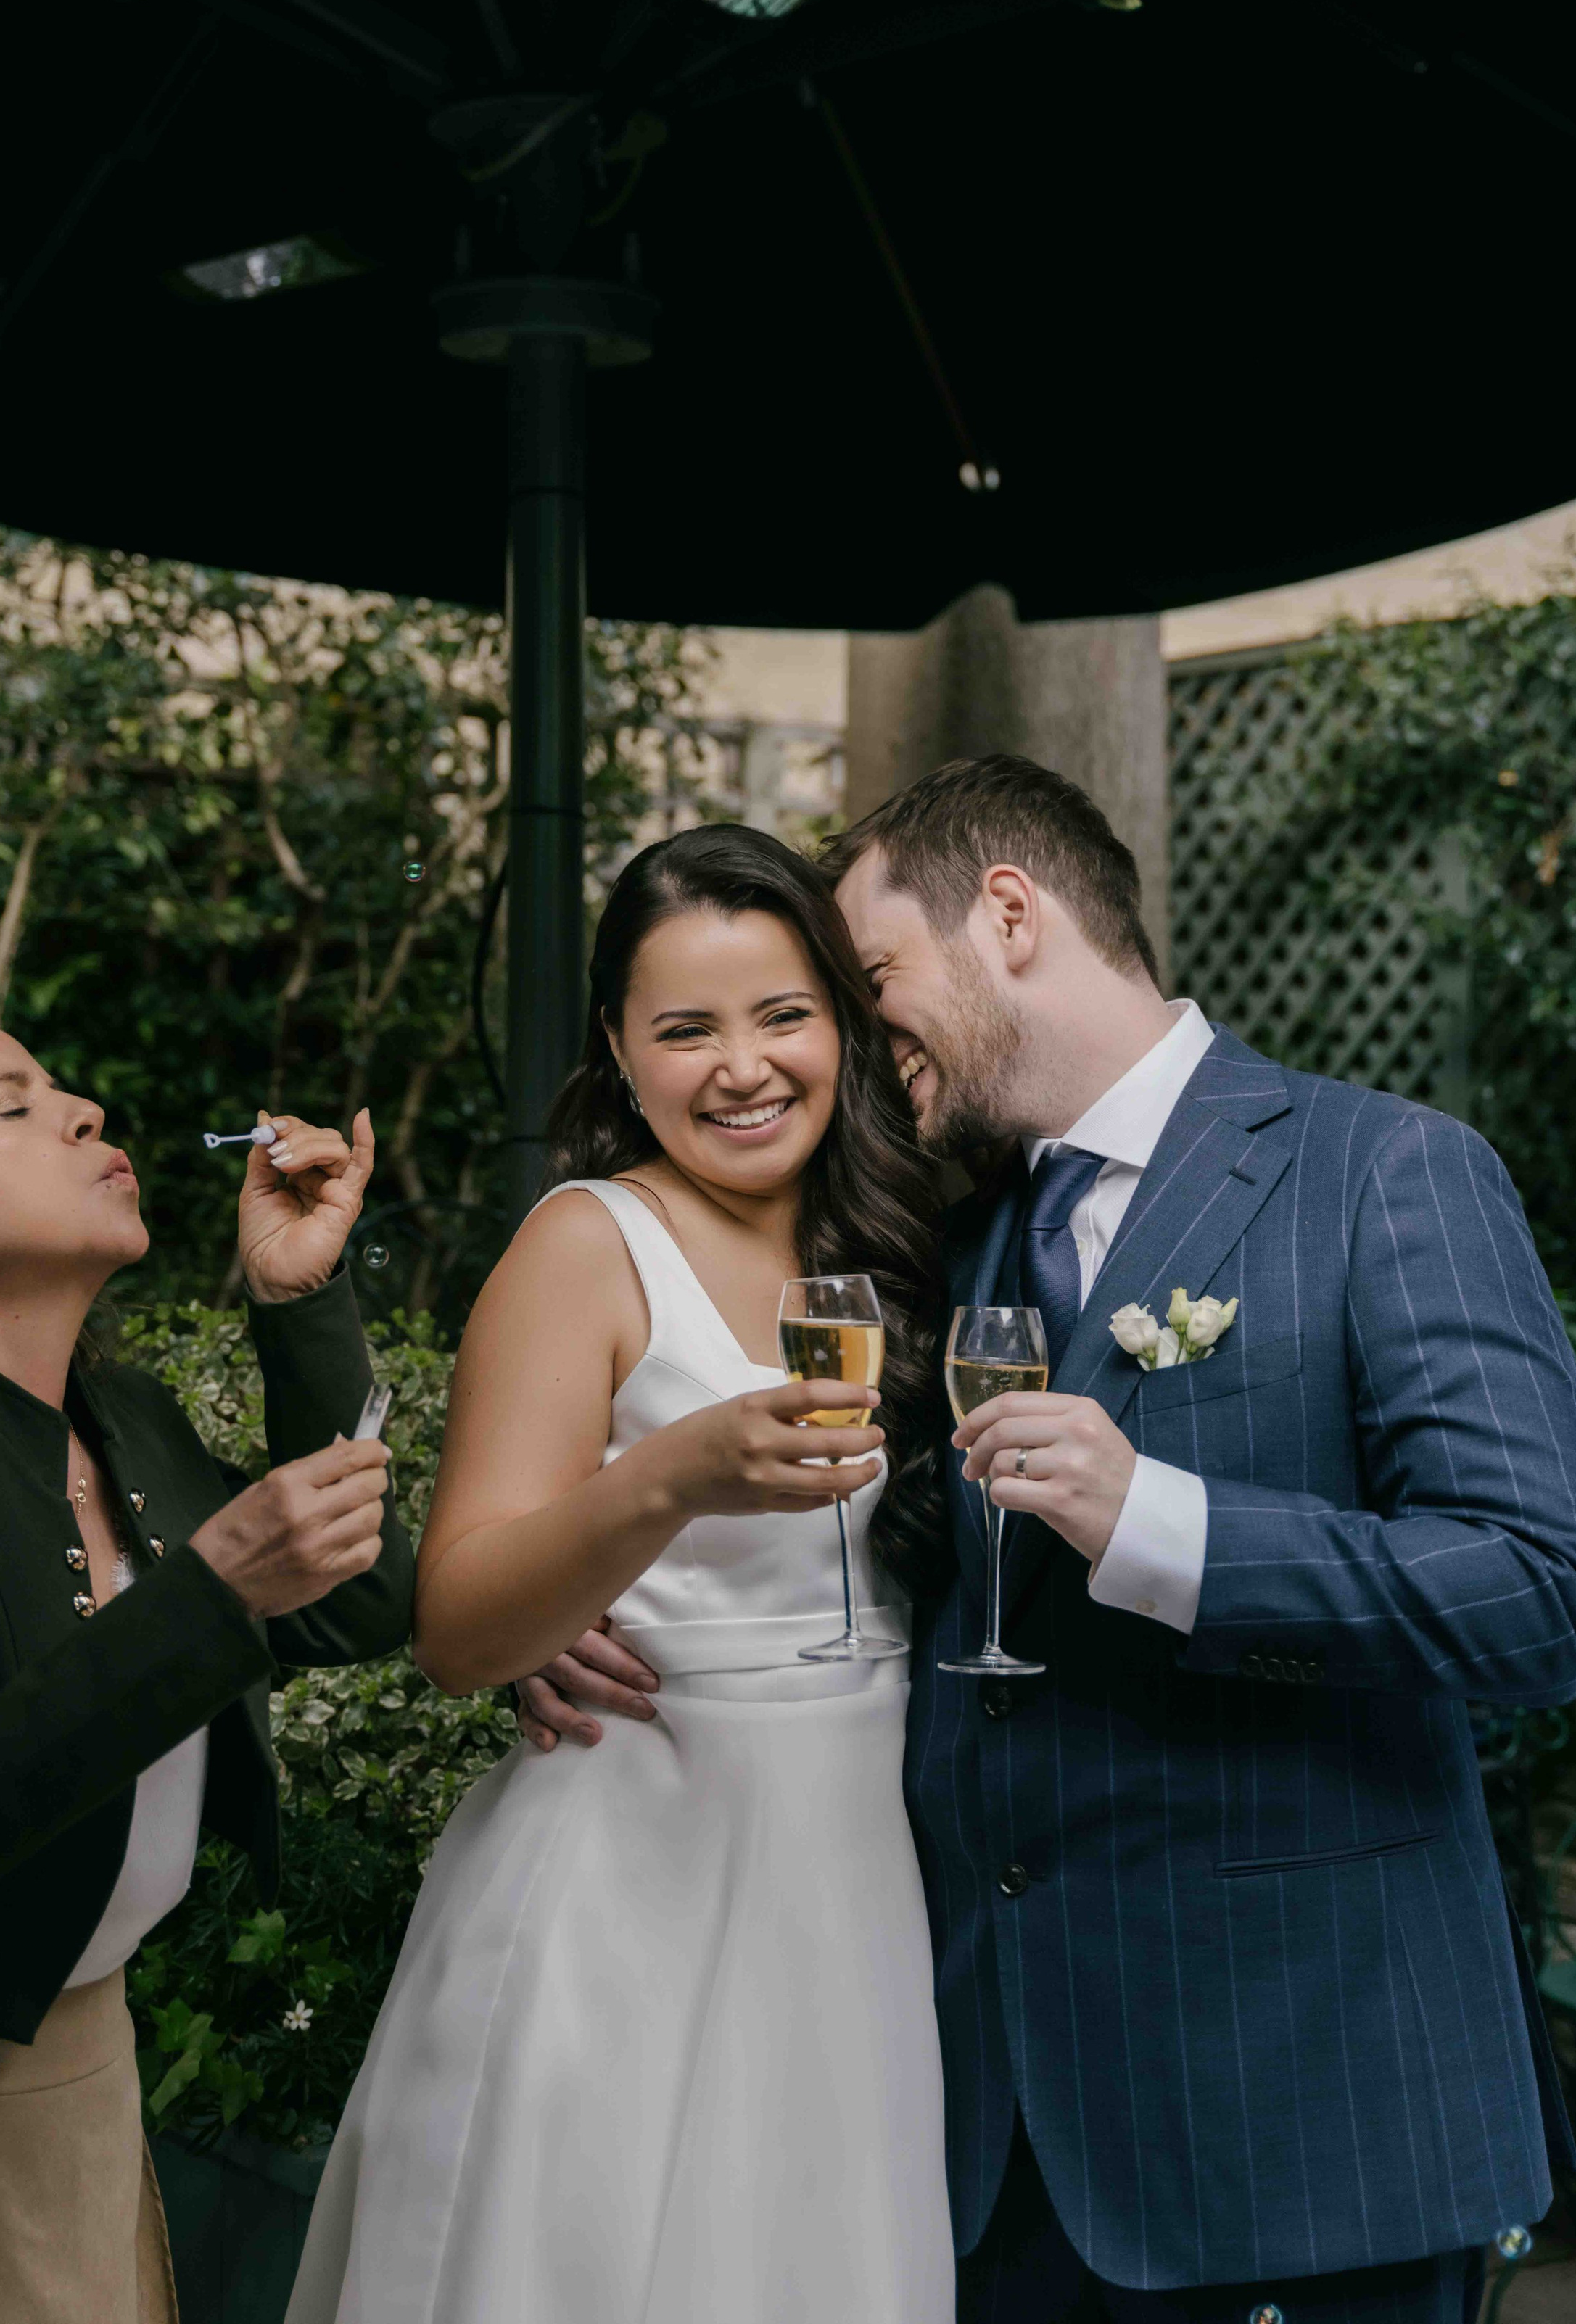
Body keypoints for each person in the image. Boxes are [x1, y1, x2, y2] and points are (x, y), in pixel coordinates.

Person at [524, 754, 1576, 2324]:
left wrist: (1157, 1523)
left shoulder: (1381, 1170)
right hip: (985, 2138)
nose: (858, 1031)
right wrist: (583, 1603)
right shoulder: (944, 1240)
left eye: (871, 978)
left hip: (1301, 2128)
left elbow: (1537, 1597)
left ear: (1010, 916)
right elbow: (877, 1558)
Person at [286, 825, 956, 2324]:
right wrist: (664, 1481)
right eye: (686, 1029)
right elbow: (459, 1630)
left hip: (854, 1887)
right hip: (628, 1882)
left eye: (782, 1015)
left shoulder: (910, 1235)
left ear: (842, 1022)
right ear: (617, 1048)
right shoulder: (586, 1245)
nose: (744, 1068)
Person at [0, 1001, 413, 2324]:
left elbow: (355, 1606)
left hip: (89, 2088)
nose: (85, 1112)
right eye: (13, 1106)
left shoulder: (124, 1417)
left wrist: (301, 1304)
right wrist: (209, 1594)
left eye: (62, 1088)